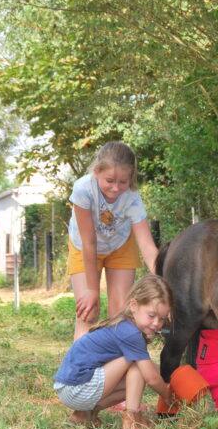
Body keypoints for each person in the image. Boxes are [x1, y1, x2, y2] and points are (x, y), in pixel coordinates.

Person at [53, 275, 175, 429]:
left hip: (68, 388)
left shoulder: (125, 324)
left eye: (162, 318)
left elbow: (151, 371)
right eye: (152, 316)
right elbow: (151, 378)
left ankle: (84, 414)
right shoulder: (131, 334)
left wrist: (171, 377)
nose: (157, 323)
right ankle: (132, 422)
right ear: (134, 305)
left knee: (135, 382)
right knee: (137, 368)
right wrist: (168, 396)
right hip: (77, 389)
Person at [67, 141, 159, 340]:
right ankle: (81, 369)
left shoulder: (132, 198)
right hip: (84, 246)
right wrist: (92, 289)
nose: (116, 188)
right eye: (110, 180)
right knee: (88, 312)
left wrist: (164, 284)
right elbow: (89, 241)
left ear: (131, 178)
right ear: (97, 171)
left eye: (123, 182)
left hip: (120, 246)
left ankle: (117, 368)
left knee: (120, 315)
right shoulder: (83, 190)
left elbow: (147, 247)